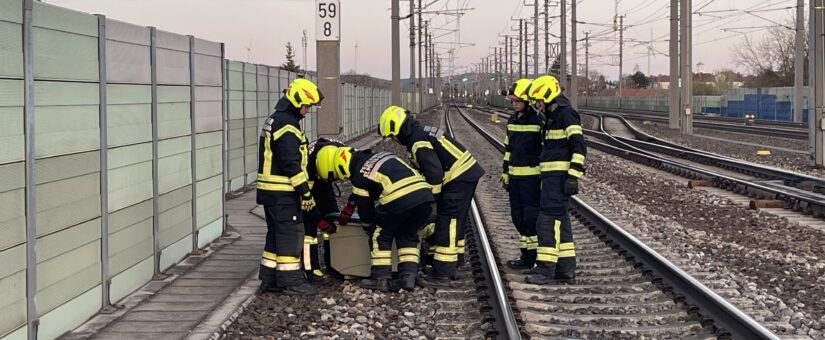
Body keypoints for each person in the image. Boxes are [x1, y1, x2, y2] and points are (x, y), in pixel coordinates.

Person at [378, 106, 484, 288]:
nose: (394, 141)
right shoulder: (420, 132)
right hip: (465, 174)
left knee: (447, 221)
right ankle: (455, 262)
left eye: (392, 136)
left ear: (397, 129)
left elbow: (434, 175)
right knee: (456, 220)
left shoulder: (418, 141)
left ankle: (443, 273)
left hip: (457, 178)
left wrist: (431, 201)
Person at [316, 145, 434, 292]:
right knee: (408, 234)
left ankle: (380, 278)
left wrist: (368, 227)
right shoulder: (376, 157)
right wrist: (350, 206)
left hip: (399, 198)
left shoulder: (358, 177)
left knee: (380, 235)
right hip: (424, 196)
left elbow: (366, 210)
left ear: (339, 167)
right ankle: (408, 276)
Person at [256, 78, 323, 295]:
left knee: (275, 234)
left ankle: (269, 278)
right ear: (296, 102)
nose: (308, 111)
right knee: (290, 234)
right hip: (283, 193)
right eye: (307, 106)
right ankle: (291, 280)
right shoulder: (288, 126)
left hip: (270, 192)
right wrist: (305, 192)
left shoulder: (276, 119)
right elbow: (290, 164)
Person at [523, 75, 587, 284]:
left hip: (559, 180)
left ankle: (545, 269)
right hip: (552, 179)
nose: (537, 105)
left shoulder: (566, 115)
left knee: (547, 222)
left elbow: (579, 146)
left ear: (549, 96)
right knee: (562, 223)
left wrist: (573, 176)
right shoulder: (553, 116)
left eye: (539, 100)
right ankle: (565, 268)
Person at [501, 79, 544, 270]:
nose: (514, 104)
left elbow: (545, 150)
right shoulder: (512, 120)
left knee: (531, 218)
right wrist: (505, 172)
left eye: (518, 101)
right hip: (515, 179)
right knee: (517, 217)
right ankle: (526, 256)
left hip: (532, 179)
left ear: (528, 101)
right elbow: (508, 149)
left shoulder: (540, 121)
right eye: (512, 101)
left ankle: (534, 257)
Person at [301, 138, 346, 284]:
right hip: (309, 185)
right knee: (309, 231)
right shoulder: (307, 164)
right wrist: (318, 220)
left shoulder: (343, 153)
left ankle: (334, 265)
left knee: (332, 219)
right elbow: (306, 201)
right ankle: (310, 270)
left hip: (324, 179)